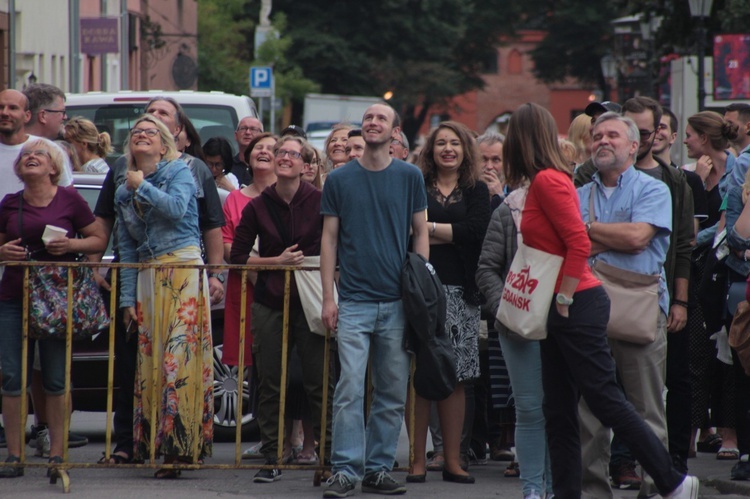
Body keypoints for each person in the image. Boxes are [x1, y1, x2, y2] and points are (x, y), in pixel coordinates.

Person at [504, 103, 697, 499]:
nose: (602, 141)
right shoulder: (574, 187)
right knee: (568, 412)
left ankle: (669, 482)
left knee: (622, 402)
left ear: (633, 146)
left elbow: (624, 238)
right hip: (576, 302)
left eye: (612, 136)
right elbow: (581, 240)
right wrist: (598, 236)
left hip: (601, 303)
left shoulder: (648, 187)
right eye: (597, 136)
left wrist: (565, 292)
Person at [320, 104, 428, 497]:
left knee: (391, 389)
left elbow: (420, 232)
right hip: (353, 301)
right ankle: (346, 470)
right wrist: (328, 298)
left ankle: (378, 468)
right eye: (367, 118)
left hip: (398, 302)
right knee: (349, 385)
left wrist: (420, 289)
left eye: (380, 118)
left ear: (395, 132)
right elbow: (328, 239)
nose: (372, 122)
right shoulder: (340, 180)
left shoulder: (410, 177)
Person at [0, 138, 107, 477]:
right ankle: (15, 456)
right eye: (26, 155)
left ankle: (58, 457)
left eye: (39, 154)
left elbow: (97, 239)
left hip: (57, 300)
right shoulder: (10, 203)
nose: (31, 157)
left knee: (56, 377)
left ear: (53, 167)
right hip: (14, 296)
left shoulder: (70, 199)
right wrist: (3, 253)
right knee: (12, 377)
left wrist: (70, 244)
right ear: (19, 169)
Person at [115, 114, 213, 477]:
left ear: (164, 144)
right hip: (147, 274)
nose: (142, 135)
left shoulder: (178, 172)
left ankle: (182, 447)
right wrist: (127, 300)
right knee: (153, 362)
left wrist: (143, 186)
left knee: (179, 359)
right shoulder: (123, 188)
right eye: (136, 131)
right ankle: (157, 445)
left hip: (183, 268)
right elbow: (125, 247)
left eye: (150, 132)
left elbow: (175, 210)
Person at [230, 135, 327, 483]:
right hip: (270, 300)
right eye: (279, 152)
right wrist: (278, 261)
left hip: (312, 300)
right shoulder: (258, 205)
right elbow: (238, 257)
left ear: (305, 165)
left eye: (293, 153)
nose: (285, 157)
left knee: (319, 381)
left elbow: (338, 246)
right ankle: (271, 457)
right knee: (270, 383)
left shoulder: (320, 200)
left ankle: (326, 462)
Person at [408, 121, 489, 485]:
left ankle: (454, 461)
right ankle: (416, 462)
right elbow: (407, 231)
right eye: (440, 143)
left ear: (465, 150)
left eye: (455, 143)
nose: (447, 149)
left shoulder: (477, 190)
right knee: (420, 373)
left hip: (462, 291)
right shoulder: (417, 185)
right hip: (421, 290)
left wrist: (427, 228)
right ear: (431, 150)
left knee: (457, 378)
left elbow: (476, 232)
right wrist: (445, 233)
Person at [476, 165, 553, 499]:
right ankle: (533, 488)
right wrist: (506, 308)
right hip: (517, 324)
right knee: (529, 408)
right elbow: (487, 268)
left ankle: (557, 486)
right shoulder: (508, 210)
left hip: (562, 322)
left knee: (560, 408)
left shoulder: (571, 204)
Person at [221, 133, 278, 461]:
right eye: (259, 148)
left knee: (283, 362)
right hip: (245, 288)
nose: (265, 153)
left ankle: (292, 436)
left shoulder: (287, 196)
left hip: (280, 288)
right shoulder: (234, 200)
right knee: (256, 365)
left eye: (272, 149)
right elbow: (229, 248)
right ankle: (268, 435)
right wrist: (262, 268)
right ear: (248, 156)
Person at [231, 116, 264, 186]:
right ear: (236, 135)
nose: (248, 132)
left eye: (253, 129)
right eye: (243, 128)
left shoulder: (266, 167)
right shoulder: (227, 165)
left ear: (262, 136)